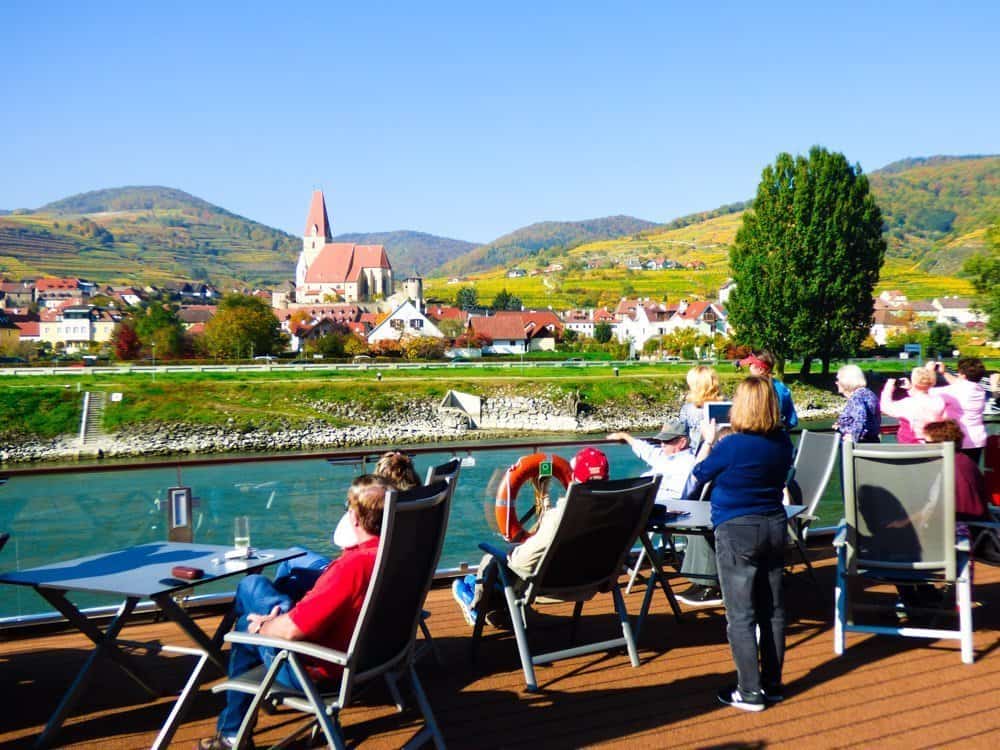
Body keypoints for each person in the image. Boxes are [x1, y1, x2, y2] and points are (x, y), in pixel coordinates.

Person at [197, 476, 389, 750]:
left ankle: (232, 734)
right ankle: (231, 731)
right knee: (273, 590)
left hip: (319, 671)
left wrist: (264, 628)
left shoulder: (353, 567)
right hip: (375, 661)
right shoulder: (394, 555)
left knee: (246, 608)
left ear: (354, 518)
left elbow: (291, 632)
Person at [690, 376, 794, 712]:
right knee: (774, 611)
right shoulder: (782, 443)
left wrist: (708, 442)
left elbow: (699, 475)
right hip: (775, 526)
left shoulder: (731, 445)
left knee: (741, 615)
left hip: (737, 529)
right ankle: (773, 684)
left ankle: (749, 692)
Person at [452, 447, 610, 626]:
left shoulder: (559, 517)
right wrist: (545, 499)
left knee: (490, 560)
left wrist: (512, 551)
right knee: (484, 576)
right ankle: (482, 594)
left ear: (574, 478)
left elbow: (521, 563)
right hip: (589, 583)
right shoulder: (615, 513)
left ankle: (476, 607)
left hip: (545, 585)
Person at [272, 451, 420, 594]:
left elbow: (341, 541)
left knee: (290, 559)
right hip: (390, 586)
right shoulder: (418, 509)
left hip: (350, 578)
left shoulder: (372, 515)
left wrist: (356, 508)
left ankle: (278, 610)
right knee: (292, 578)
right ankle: (280, 607)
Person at [608, 421, 721, 606]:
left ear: (682, 442)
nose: (662, 444)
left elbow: (689, 490)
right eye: (661, 441)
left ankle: (614, 560)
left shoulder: (688, 462)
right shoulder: (663, 455)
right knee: (609, 509)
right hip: (645, 502)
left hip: (666, 508)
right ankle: (618, 557)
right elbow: (647, 450)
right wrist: (626, 437)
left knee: (613, 513)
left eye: (667, 441)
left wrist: (708, 442)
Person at [930, 358, 988, 463]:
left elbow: (926, 391)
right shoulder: (979, 389)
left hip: (959, 440)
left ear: (963, 375)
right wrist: (944, 373)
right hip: (977, 440)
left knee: (955, 476)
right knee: (971, 473)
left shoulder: (953, 390)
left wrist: (928, 371)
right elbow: (961, 383)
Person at [879, 366, 947, 443]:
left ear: (913, 381)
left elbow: (885, 407)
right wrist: (911, 389)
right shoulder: (939, 401)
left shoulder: (907, 403)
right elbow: (922, 399)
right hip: (933, 441)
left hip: (912, 444)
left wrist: (888, 387)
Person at [739, 351, 798, 429]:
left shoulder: (750, 389)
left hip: (754, 434)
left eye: (750, 365)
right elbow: (792, 421)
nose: (749, 368)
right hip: (778, 437)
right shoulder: (782, 388)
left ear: (760, 369)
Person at [832, 364, 881, 443]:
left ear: (846, 381)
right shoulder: (867, 393)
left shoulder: (856, 396)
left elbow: (861, 417)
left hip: (859, 446)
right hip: (872, 441)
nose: (836, 383)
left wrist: (854, 437)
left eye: (838, 380)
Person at [678, 365, 722, 451]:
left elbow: (683, 436)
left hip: (698, 454)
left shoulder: (688, 409)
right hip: (722, 453)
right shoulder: (726, 405)